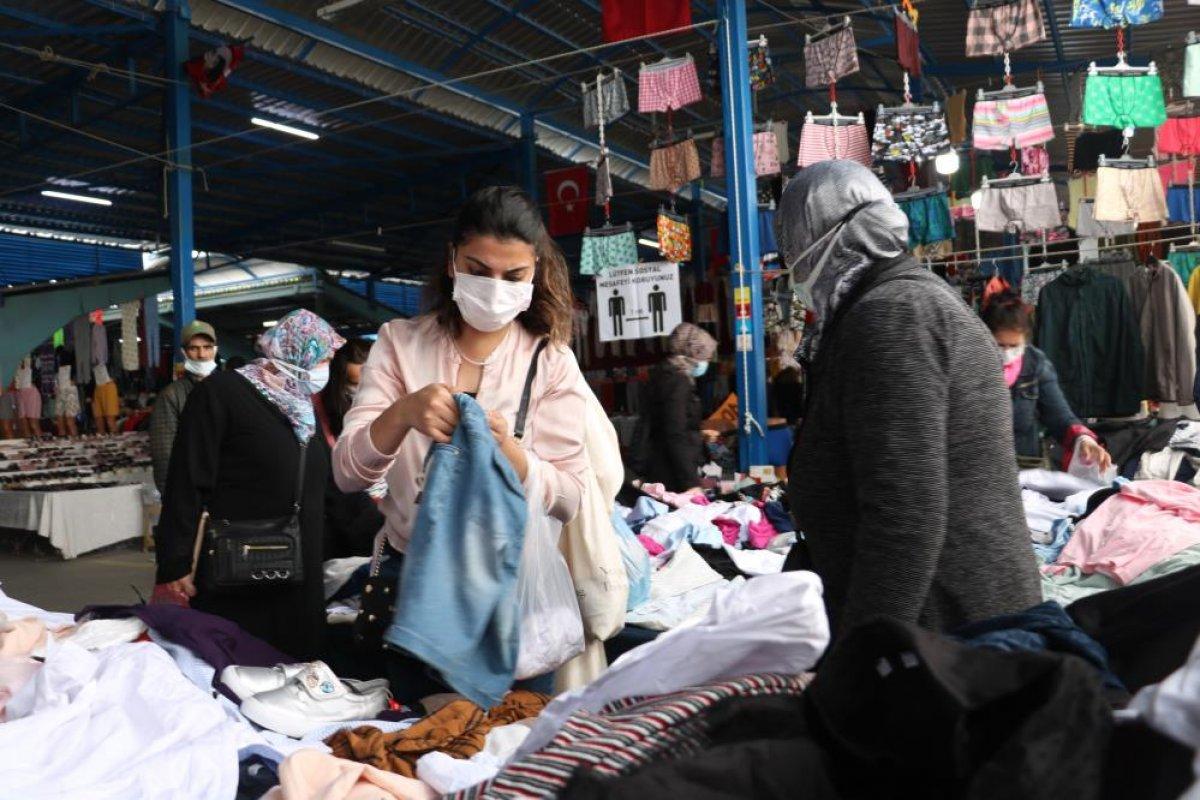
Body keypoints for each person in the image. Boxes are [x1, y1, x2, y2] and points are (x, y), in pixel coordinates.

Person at [332, 185, 587, 703]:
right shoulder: (399, 343)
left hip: (511, 591)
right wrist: (402, 414)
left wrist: (516, 458)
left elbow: (572, 497)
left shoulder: (551, 361)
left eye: (513, 277)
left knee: (505, 754)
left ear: (533, 273)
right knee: (420, 745)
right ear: (452, 261)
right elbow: (346, 472)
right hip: (414, 583)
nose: (495, 288)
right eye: (478, 270)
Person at [780, 160, 1041, 637]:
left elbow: (904, 516)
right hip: (939, 629)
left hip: (945, 638)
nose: (792, 268)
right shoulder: (889, 305)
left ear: (829, 241)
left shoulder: (893, 316)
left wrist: (862, 661)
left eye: (794, 247)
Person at [154, 309, 343, 659]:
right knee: (240, 666)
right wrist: (175, 562)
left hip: (299, 570)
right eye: (325, 358)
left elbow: (326, 485)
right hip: (240, 568)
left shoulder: (301, 406)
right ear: (300, 351)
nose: (325, 368)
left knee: (296, 671)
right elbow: (187, 479)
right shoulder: (221, 393)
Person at [981, 290, 1113, 471]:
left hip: (1025, 467)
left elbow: (1060, 416)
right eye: (1000, 345)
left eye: (1014, 346)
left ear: (1025, 339)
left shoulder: (1035, 365)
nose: (1007, 353)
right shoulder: (971, 367)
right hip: (980, 471)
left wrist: (1084, 439)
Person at [315, 338, 383, 558]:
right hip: (353, 509)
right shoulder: (324, 411)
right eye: (354, 385)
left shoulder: (395, 402)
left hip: (388, 503)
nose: (367, 368)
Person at [632, 323, 717, 492]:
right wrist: (691, 483)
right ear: (694, 353)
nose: (707, 362)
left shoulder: (666, 373)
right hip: (669, 472)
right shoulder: (677, 381)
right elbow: (675, 433)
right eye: (705, 357)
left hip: (664, 465)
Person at [149, 320, 219, 493]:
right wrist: (172, 498)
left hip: (227, 489)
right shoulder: (171, 395)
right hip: (193, 489)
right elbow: (164, 454)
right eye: (194, 348)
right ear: (184, 352)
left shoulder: (229, 388)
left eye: (207, 347)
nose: (202, 354)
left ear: (215, 350)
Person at [53, 349, 80, 438]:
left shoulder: (72, 368)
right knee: (60, 419)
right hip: (61, 392)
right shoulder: (57, 369)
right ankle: (64, 440)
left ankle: (74, 440)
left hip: (69, 392)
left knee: (69, 420)